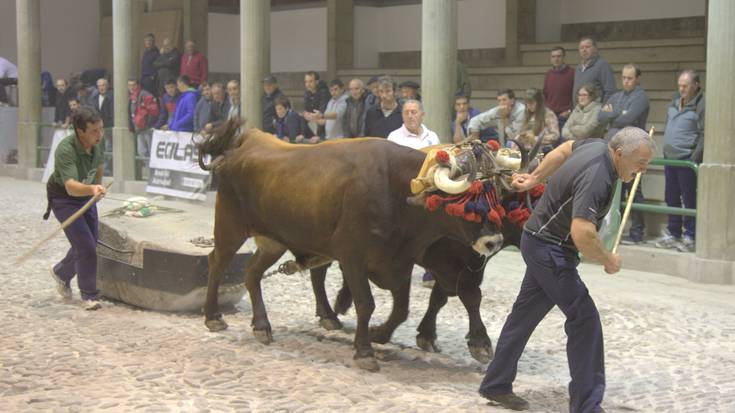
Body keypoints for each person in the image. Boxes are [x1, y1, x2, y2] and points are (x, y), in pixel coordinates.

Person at [479, 127, 655, 413]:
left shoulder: (598, 146)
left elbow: (565, 148)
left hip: (538, 240)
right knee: (585, 320)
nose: (642, 170)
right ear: (620, 154)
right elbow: (582, 232)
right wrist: (607, 259)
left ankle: (495, 384)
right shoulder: (599, 177)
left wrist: (536, 177)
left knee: (524, 315)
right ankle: (587, 406)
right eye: (641, 163)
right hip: (550, 249)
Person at [45, 107, 108, 311]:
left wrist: (96, 189)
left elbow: (99, 166)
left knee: (89, 242)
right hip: (64, 198)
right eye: (94, 131)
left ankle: (61, 273)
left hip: (87, 195)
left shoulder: (97, 143)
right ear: (80, 132)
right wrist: (92, 188)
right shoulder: (66, 149)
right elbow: (71, 187)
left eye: (101, 129)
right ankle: (89, 295)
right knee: (86, 247)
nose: (99, 135)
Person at [598, 64, 650, 244]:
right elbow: (600, 116)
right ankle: (613, 232)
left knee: (634, 192)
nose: (626, 81)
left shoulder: (641, 97)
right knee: (613, 192)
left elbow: (628, 118)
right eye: (624, 78)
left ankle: (637, 232)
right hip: (614, 149)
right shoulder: (617, 96)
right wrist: (617, 113)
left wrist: (612, 113)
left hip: (634, 149)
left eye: (630, 78)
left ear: (637, 79)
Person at [654, 70, 705, 253]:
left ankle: (690, 235)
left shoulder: (701, 104)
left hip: (686, 160)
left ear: (696, 85)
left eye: (685, 85)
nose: (681, 89)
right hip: (670, 159)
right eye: (680, 85)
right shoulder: (674, 101)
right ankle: (673, 233)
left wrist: (694, 157)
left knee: (689, 198)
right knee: (671, 197)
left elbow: (704, 134)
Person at [573, 37, 616, 104]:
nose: (584, 50)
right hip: (579, 111)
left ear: (595, 49)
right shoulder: (578, 68)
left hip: (595, 112)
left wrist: (603, 110)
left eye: (587, 47)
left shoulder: (603, 65)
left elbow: (610, 91)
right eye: (581, 48)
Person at [543, 46, 575, 132]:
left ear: (563, 57)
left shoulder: (572, 73)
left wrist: (570, 110)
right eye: (553, 57)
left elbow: (576, 94)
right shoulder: (549, 74)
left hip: (564, 116)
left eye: (558, 56)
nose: (556, 59)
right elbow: (545, 94)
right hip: (550, 115)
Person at [127, 79, 159, 158]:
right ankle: (149, 170)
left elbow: (154, 111)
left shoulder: (145, 94)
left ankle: (153, 170)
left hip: (147, 129)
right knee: (142, 152)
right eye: (129, 85)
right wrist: (131, 125)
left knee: (152, 151)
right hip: (138, 129)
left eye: (133, 85)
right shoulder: (132, 96)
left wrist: (148, 124)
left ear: (138, 85)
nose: (131, 87)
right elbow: (130, 112)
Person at [302, 71, 331, 139]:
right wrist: (305, 113)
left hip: (326, 121)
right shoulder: (307, 93)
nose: (308, 84)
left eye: (310, 81)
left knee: (320, 120)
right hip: (314, 118)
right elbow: (306, 110)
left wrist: (311, 115)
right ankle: (306, 137)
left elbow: (322, 112)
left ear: (317, 81)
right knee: (300, 119)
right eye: (306, 82)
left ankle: (320, 137)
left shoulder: (324, 92)